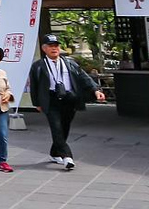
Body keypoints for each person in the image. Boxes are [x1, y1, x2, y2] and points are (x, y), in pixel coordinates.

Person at [30, 34, 105, 170]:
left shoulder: (69, 62)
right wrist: (36, 103)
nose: (54, 49)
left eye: (56, 46)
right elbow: (34, 86)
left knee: (64, 128)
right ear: (44, 48)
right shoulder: (38, 66)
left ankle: (54, 153)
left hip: (69, 99)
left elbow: (84, 77)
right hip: (51, 100)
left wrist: (96, 90)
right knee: (56, 127)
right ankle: (67, 157)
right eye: (51, 46)